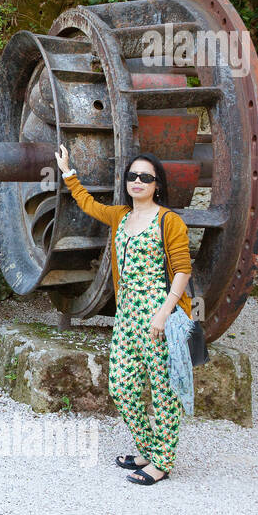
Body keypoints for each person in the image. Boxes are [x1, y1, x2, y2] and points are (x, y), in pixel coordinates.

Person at [54, 144, 192, 485]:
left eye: (146, 177)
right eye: (133, 176)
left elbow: (183, 271)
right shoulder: (121, 216)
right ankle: (147, 448)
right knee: (122, 386)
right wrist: (68, 172)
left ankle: (161, 463)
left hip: (158, 313)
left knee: (163, 391)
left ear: (157, 184)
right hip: (127, 314)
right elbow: (88, 204)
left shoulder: (168, 221)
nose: (138, 182)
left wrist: (163, 312)